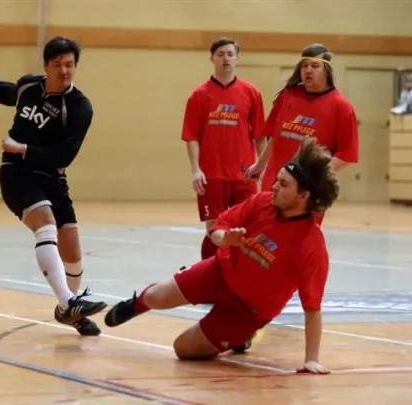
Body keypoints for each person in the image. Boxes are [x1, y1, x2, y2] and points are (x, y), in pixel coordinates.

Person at [105, 137, 339, 375]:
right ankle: (136, 304)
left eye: (284, 184)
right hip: (218, 272)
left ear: (303, 196)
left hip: (245, 312)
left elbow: (312, 308)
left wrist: (312, 359)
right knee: (155, 297)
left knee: (183, 349)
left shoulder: (312, 245)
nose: (275, 186)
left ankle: (241, 336)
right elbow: (219, 227)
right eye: (277, 180)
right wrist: (224, 239)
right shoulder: (262, 202)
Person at [0, 36, 106, 336]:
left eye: (70, 65)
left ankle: (69, 312)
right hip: (17, 172)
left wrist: (23, 147)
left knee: (73, 253)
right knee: (46, 225)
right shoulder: (29, 86)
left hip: (52, 177)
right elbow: (9, 93)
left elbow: (65, 156)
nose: (64, 71)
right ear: (46, 65)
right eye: (58, 65)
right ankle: (68, 302)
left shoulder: (79, 107)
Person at [181, 38, 267, 260]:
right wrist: (195, 170)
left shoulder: (251, 93)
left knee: (246, 227)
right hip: (212, 175)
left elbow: (260, 136)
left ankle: (240, 273)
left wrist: (261, 166)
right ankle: (209, 270)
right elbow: (191, 137)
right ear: (212, 59)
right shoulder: (199, 95)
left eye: (230, 54)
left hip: (244, 174)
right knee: (215, 229)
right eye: (220, 54)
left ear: (237, 59)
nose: (226, 58)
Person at [246, 44, 358, 199]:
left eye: (315, 66)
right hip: (273, 183)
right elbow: (276, 137)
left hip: (306, 190)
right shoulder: (288, 95)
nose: (308, 70)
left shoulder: (341, 107)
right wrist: (260, 165)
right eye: (304, 66)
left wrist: (314, 175)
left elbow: (346, 156)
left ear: (327, 70)